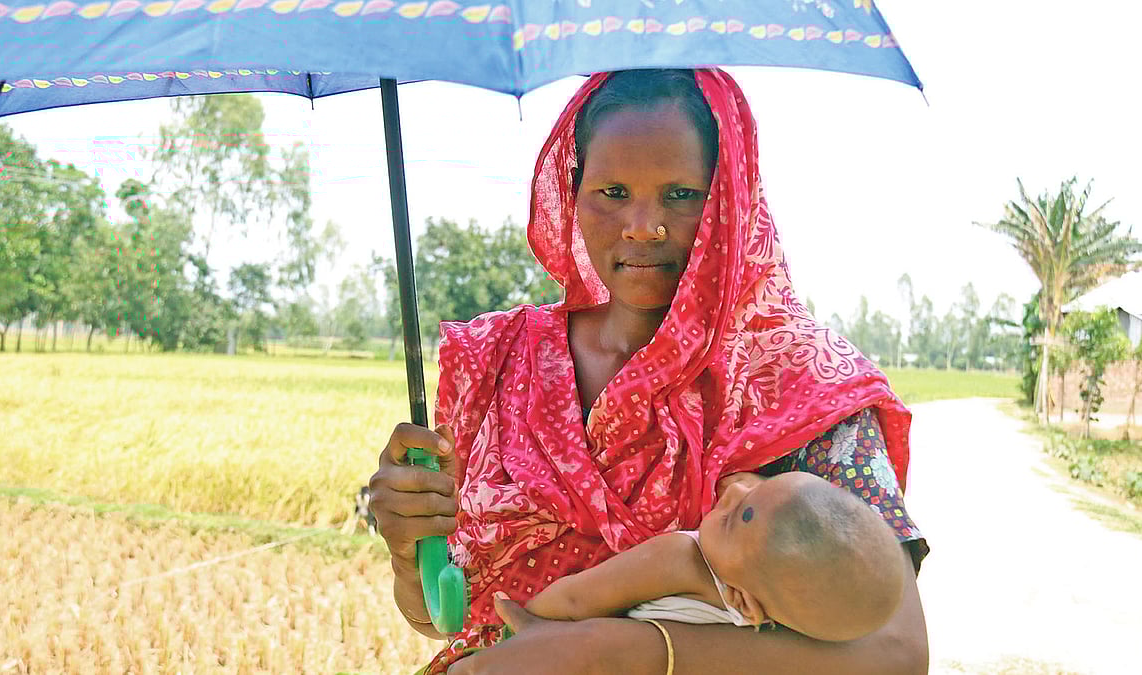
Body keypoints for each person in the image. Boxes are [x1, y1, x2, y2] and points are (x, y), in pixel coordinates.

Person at [368, 68, 930, 675]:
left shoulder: (801, 384)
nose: (644, 226)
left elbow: (894, 653)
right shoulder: (494, 362)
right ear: (573, 192)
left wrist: (619, 650)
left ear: (730, 199)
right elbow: (447, 616)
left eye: (682, 195)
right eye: (612, 193)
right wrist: (408, 549)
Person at [523, 471, 909, 643]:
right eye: (764, 485)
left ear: (743, 599)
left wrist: (524, 623)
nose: (735, 490)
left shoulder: (680, 558)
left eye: (734, 518)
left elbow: (577, 599)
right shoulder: (782, 598)